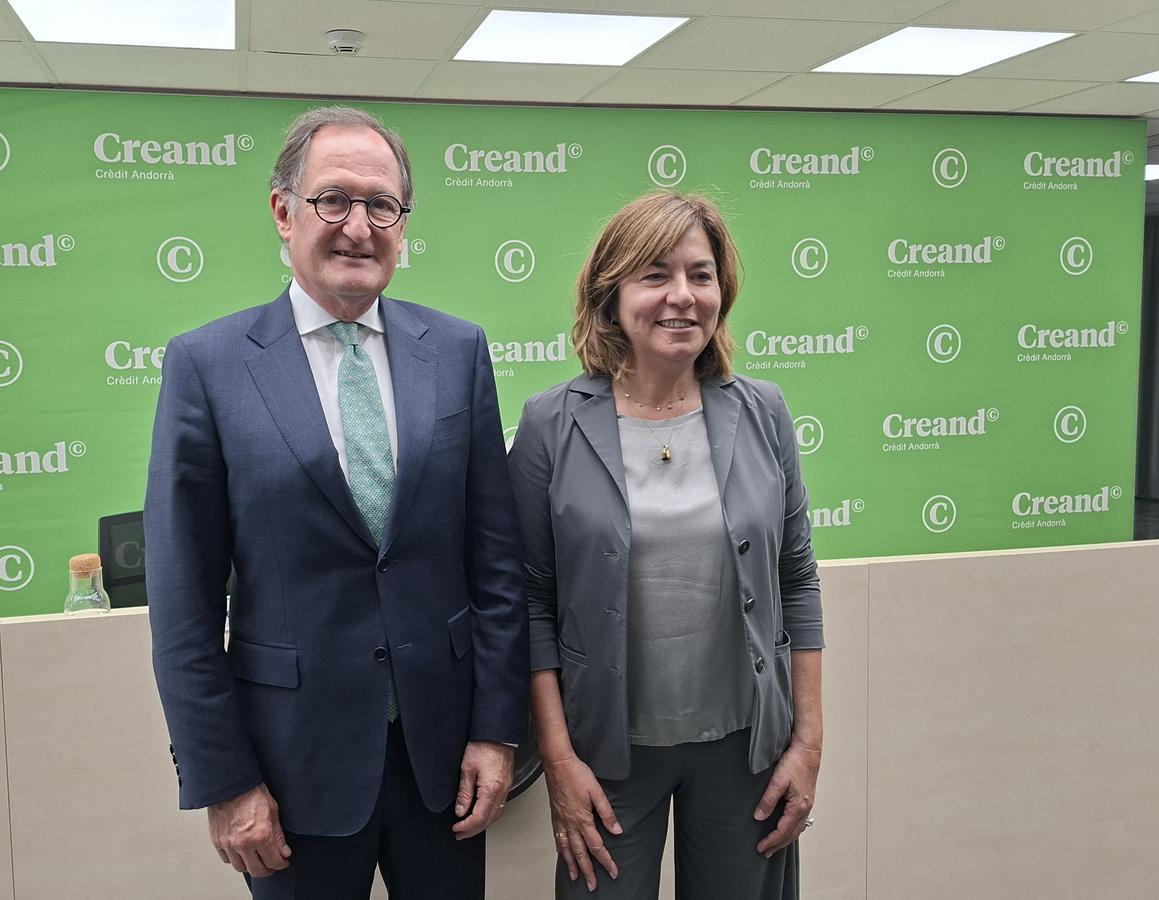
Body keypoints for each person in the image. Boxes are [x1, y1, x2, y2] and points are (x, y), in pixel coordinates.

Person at [145, 105, 528, 900]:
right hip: (290, 777)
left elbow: (495, 566)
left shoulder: (458, 353)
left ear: (402, 223)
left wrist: (496, 731)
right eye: (334, 199)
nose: (359, 225)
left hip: (444, 765)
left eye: (381, 204)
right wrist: (225, 780)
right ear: (284, 212)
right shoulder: (208, 367)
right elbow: (182, 605)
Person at [508, 191, 825, 899]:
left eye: (700, 275)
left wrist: (807, 744)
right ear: (610, 295)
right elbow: (531, 602)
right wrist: (558, 760)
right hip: (607, 755)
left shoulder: (764, 412)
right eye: (655, 275)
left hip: (746, 748)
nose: (682, 296)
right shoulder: (550, 424)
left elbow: (797, 579)